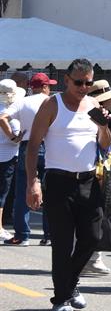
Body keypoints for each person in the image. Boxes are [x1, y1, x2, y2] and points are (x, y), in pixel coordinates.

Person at [25, 59, 111, 311]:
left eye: (88, 82)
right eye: (79, 82)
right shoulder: (52, 105)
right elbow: (32, 147)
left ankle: (70, 283)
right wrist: (33, 182)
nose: (84, 87)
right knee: (62, 243)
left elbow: (104, 145)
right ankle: (61, 298)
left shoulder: (94, 104)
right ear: (66, 80)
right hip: (58, 182)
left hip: (88, 181)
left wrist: (102, 125)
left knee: (92, 237)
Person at [0, 71, 56, 246]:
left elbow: (2, 118)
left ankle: (22, 235)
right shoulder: (53, 102)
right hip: (49, 146)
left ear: (32, 87)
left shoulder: (22, 102)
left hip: (26, 145)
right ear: (45, 86)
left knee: (23, 191)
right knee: (50, 191)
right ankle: (49, 235)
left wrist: (12, 137)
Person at [80, 80, 111, 277]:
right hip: (97, 173)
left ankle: (92, 257)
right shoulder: (91, 119)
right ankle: (90, 257)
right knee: (99, 215)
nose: (110, 103)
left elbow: (108, 151)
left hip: (105, 171)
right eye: (106, 100)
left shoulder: (104, 119)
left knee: (109, 213)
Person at [0, 79, 25, 241]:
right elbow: (2, 120)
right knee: (2, 193)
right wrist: (13, 137)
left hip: (6, 154)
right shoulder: (5, 109)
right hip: (5, 155)